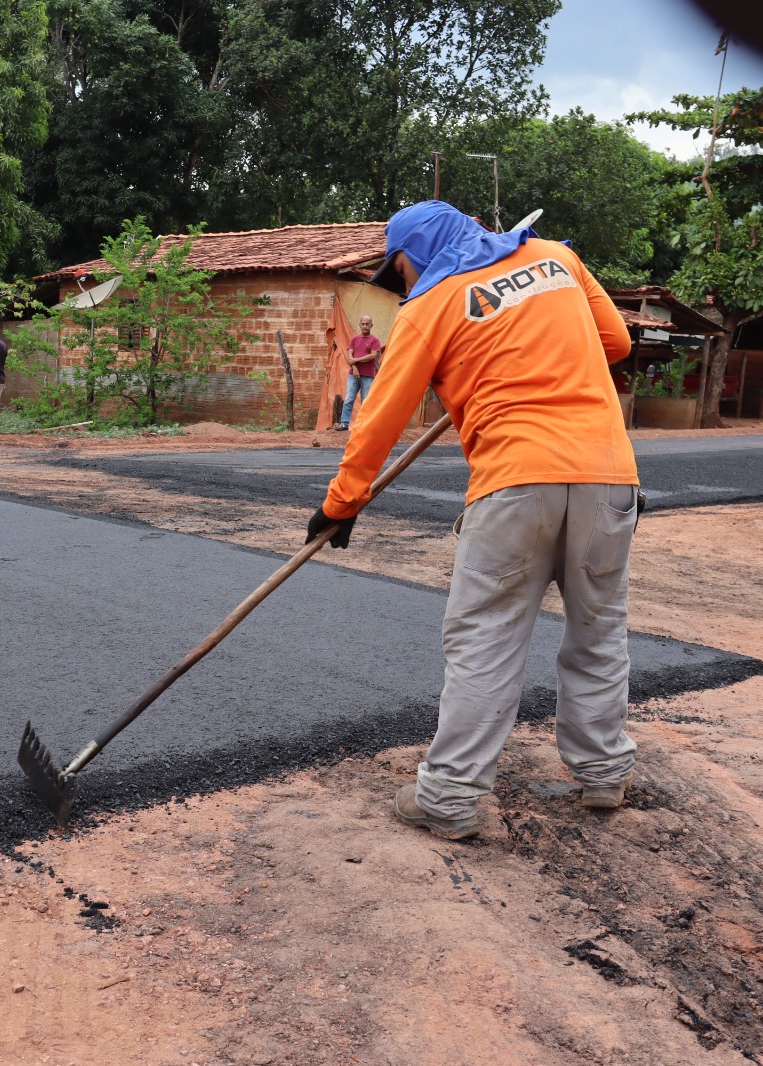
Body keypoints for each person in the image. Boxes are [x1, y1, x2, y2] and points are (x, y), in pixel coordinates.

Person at [307, 200, 639, 841]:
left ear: (414, 254)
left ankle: (449, 796)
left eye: (397, 270)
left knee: (485, 638)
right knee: (599, 628)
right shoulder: (558, 258)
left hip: (515, 483)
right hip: (608, 476)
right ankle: (603, 772)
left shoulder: (430, 305)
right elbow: (617, 343)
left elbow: (379, 417)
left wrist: (341, 503)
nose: (401, 282)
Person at [335, 314, 382, 430]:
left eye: (367, 324)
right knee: (349, 399)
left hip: (368, 375)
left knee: (365, 401)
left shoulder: (375, 340)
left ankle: (364, 425)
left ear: (371, 325)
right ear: (360, 325)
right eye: (363, 324)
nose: (365, 326)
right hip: (353, 375)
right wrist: (355, 367)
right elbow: (349, 355)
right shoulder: (354, 339)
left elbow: (372, 356)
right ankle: (344, 424)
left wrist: (355, 360)